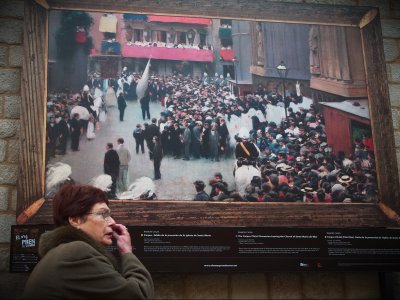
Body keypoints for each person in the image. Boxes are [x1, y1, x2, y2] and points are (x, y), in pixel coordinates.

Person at [22, 184, 154, 299]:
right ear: (75, 220)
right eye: (103, 214)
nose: (112, 222)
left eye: (110, 215)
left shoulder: (63, 252)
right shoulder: (76, 253)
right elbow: (138, 295)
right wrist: (126, 252)